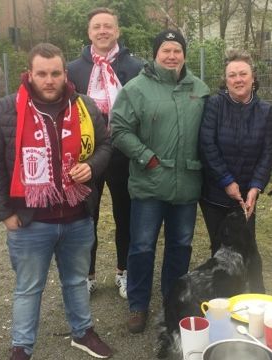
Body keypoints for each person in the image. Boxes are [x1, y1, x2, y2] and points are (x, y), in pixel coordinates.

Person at [0, 43, 113, 359]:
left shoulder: (85, 106)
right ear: (29, 74)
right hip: (29, 221)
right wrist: (3, 214)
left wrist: (91, 166)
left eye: (55, 73)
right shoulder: (5, 110)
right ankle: (22, 347)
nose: (49, 80)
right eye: (42, 74)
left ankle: (82, 332)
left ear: (65, 73)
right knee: (28, 288)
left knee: (77, 281)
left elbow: (106, 145)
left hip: (78, 216)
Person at [110, 29, 209, 333]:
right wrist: (146, 157)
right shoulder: (136, 88)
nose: (171, 55)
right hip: (150, 183)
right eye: (165, 50)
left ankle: (172, 302)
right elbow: (119, 129)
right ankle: (138, 305)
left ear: (184, 55)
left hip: (187, 184)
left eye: (177, 50)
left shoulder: (200, 90)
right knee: (141, 246)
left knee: (181, 245)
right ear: (155, 54)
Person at [67, 7, 143, 298]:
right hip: (88, 156)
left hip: (124, 153)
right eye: (97, 26)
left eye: (108, 26)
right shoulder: (74, 69)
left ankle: (123, 271)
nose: (102, 31)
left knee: (126, 215)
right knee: (87, 217)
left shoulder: (136, 67)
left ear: (117, 31)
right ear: (89, 32)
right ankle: (87, 274)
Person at [199, 50, 272, 293]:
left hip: (246, 197)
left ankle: (255, 298)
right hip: (214, 194)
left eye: (243, 73)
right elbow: (207, 145)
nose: (238, 79)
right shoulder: (214, 104)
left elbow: (268, 152)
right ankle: (221, 299)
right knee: (220, 250)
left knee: (247, 249)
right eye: (232, 75)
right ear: (226, 80)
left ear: (253, 77)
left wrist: (256, 187)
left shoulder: (265, 111)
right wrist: (226, 181)